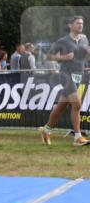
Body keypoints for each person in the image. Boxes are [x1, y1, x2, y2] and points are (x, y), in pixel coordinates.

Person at [38, 16, 89, 147]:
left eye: (82, 24)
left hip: (78, 74)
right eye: (78, 23)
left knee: (62, 106)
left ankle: (46, 130)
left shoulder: (84, 38)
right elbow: (48, 56)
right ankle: (77, 137)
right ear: (70, 25)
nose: (80, 25)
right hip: (65, 74)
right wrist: (63, 57)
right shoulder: (63, 41)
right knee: (76, 104)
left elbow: (85, 55)